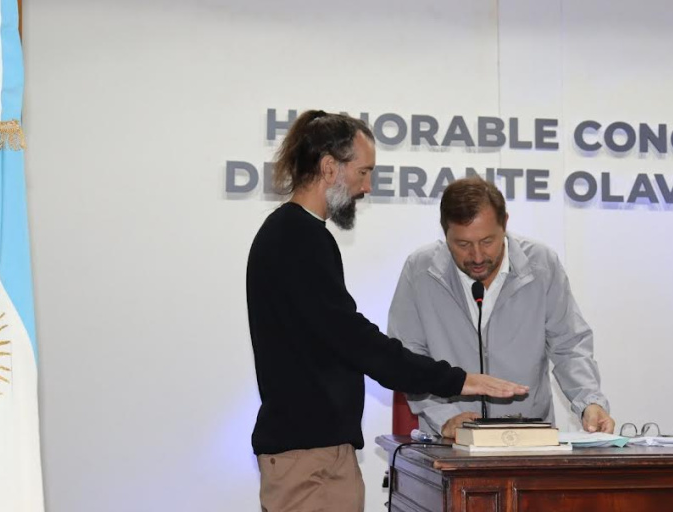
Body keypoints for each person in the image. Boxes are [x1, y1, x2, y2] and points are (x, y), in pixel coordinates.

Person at [246, 111, 528, 512]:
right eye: (363, 172)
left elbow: (341, 338)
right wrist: (457, 379)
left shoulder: (297, 234)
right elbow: (355, 341)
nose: (366, 187)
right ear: (329, 168)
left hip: (314, 456)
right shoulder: (296, 238)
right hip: (309, 462)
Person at [387, 177, 614, 439]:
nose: (477, 256)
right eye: (463, 244)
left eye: (487, 241)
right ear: (444, 232)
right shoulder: (420, 271)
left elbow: (569, 345)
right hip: (449, 441)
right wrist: (444, 418)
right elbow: (408, 358)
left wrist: (589, 402)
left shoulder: (542, 265)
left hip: (528, 438)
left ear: (505, 223)